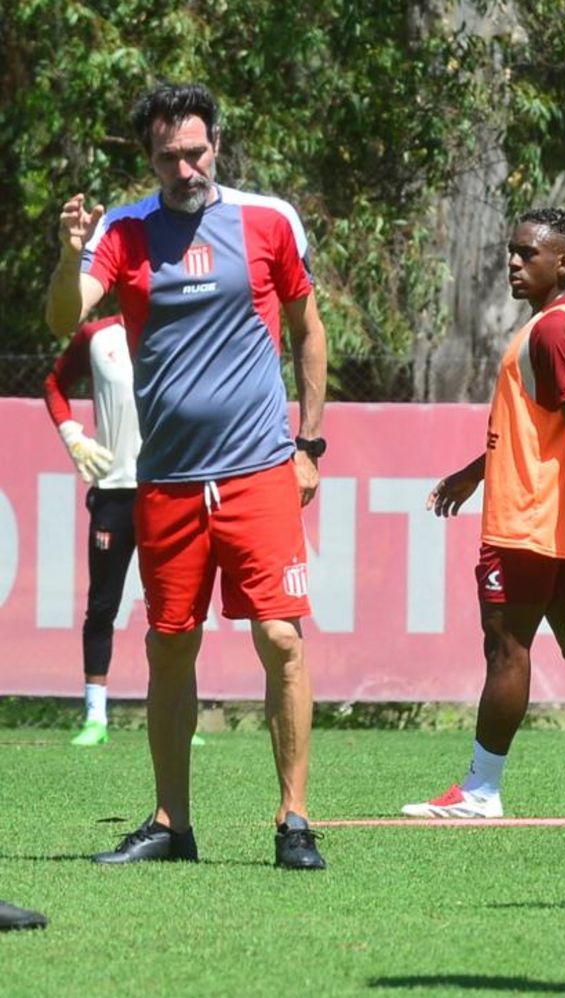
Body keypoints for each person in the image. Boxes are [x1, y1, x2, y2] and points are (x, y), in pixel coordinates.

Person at [44, 82, 328, 870]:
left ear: (217, 145)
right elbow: (65, 317)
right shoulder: (123, 230)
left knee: (281, 638)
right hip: (166, 479)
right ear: (150, 157)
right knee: (169, 645)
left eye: (196, 152)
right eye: (169, 156)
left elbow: (308, 329)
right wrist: (68, 255)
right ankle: (172, 824)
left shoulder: (269, 219)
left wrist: (310, 443)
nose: (185, 168)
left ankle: (294, 821)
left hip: (259, 470)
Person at [401, 208, 565, 820]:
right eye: (513, 250)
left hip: (528, 523)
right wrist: (476, 471)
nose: (514, 262)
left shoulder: (552, 331)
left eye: (529, 253)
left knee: (507, 649)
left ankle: (481, 791)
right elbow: (543, 425)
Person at [43, 316, 141, 746]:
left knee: (173, 607)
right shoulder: (98, 335)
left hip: (165, 489)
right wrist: (72, 435)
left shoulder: (182, 321)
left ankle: (177, 708)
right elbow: (54, 384)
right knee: (102, 605)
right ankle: (95, 716)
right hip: (113, 493)